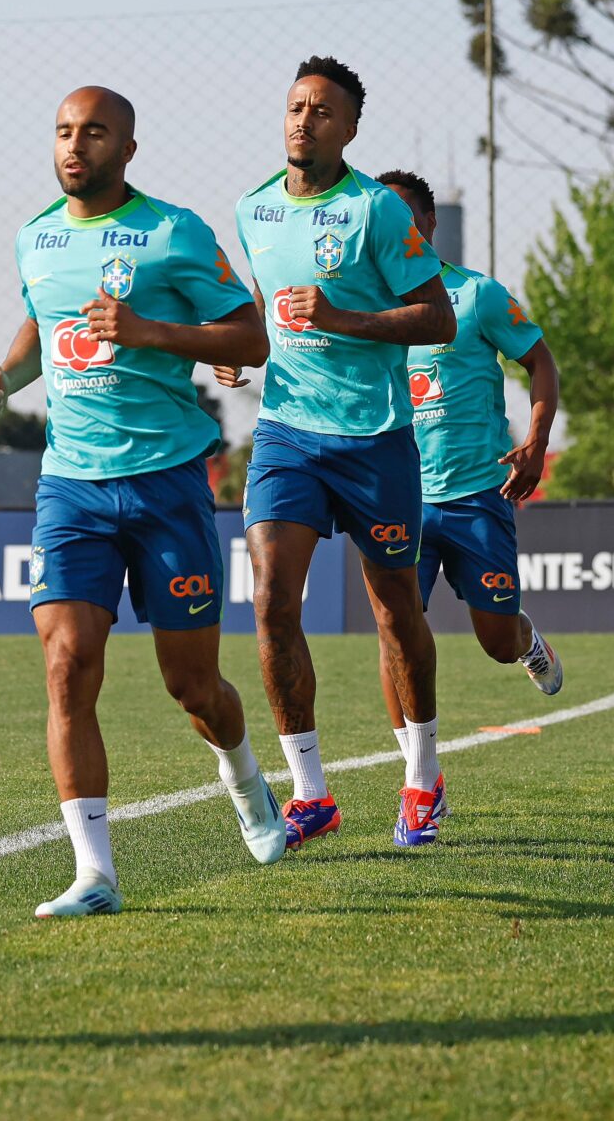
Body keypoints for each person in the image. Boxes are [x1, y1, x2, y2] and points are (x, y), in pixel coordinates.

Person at [0, 86, 285, 918]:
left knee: (193, 687)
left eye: (95, 133)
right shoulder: (34, 237)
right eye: (66, 132)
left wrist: (151, 332)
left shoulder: (173, 232)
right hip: (69, 484)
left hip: (168, 484)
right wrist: (8, 376)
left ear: (129, 148)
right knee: (68, 664)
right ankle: (95, 873)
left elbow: (249, 336)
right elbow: (41, 325)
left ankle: (245, 778)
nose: (76, 146)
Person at [217, 56, 456, 848]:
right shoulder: (254, 209)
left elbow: (437, 319)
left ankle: (422, 775)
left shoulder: (378, 211)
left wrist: (344, 319)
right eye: (295, 106)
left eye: (322, 111)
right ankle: (310, 791)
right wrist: (241, 346)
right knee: (269, 602)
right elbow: (262, 305)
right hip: (287, 434)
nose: (303, 120)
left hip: (377, 439)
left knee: (395, 611)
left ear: (350, 128)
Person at [379, 169, 564, 698]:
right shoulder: (365, 305)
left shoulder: (476, 293)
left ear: (430, 223)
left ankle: (527, 641)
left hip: (477, 492)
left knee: (497, 641)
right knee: (395, 631)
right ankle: (418, 772)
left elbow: (540, 361)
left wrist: (536, 441)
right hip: (400, 497)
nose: (396, 230)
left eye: (406, 218)